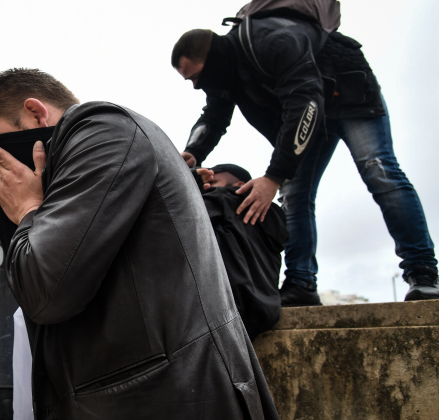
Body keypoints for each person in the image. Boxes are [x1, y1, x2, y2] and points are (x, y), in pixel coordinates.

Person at [0, 68, 295, 420]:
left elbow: (47, 291)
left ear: (35, 114)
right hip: (130, 416)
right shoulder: (72, 164)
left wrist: (27, 210)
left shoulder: (102, 129)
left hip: (164, 419)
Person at [173, 19, 438, 305]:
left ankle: (422, 272)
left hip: (347, 91)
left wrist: (274, 176)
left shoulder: (270, 42)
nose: (196, 86)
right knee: (296, 194)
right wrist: (193, 152)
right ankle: (301, 282)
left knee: (379, 171)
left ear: (212, 58)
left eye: (196, 76)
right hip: (307, 117)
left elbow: (305, 102)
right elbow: (213, 118)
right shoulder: (225, 76)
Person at [197, 163, 287, 339]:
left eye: (213, 181)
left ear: (240, 186)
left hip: (225, 309)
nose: (206, 187)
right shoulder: (275, 220)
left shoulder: (221, 197)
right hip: (265, 312)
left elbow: (176, 220)